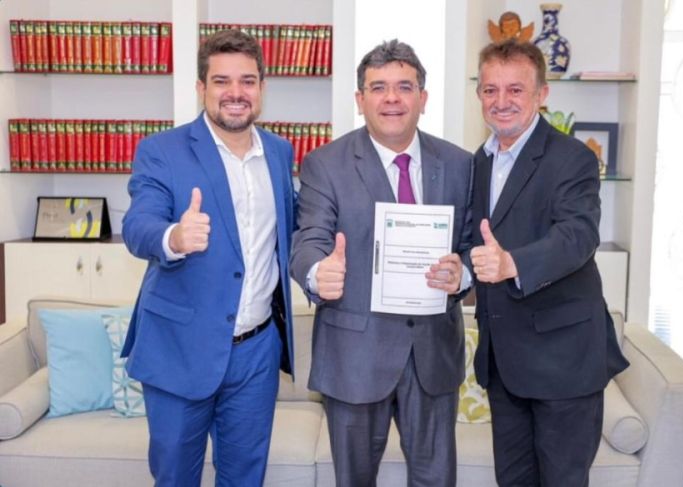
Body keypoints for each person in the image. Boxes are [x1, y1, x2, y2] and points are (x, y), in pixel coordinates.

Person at [290, 39, 473, 486]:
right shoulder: (325, 164)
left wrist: (463, 273)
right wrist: (317, 273)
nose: (392, 98)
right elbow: (309, 238)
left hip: (433, 355)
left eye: (404, 87)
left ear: (423, 98)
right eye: (378, 88)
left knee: (436, 480)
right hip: (354, 355)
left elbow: (473, 244)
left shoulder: (461, 164)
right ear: (360, 99)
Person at [121, 29, 296, 486]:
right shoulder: (162, 150)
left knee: (245, 479)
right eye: (222, 81)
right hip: (180, 347)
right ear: (202, 88)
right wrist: (174, 237)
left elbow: (292, 231)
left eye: (247, 81)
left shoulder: (279, 152)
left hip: (257, 352)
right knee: (176, 478)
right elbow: (138, 225)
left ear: (262, 87)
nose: (236, 92)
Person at [468, 39, 629, 487]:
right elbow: (475, 242)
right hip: (504, 363)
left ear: (542, 93)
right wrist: (458, 269)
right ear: (479, 94)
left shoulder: (573, 158)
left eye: (515, 90)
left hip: (564, 362)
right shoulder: (479, 162)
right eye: (490, 90)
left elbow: (578, 235)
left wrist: (512, 264)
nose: (501, 101)